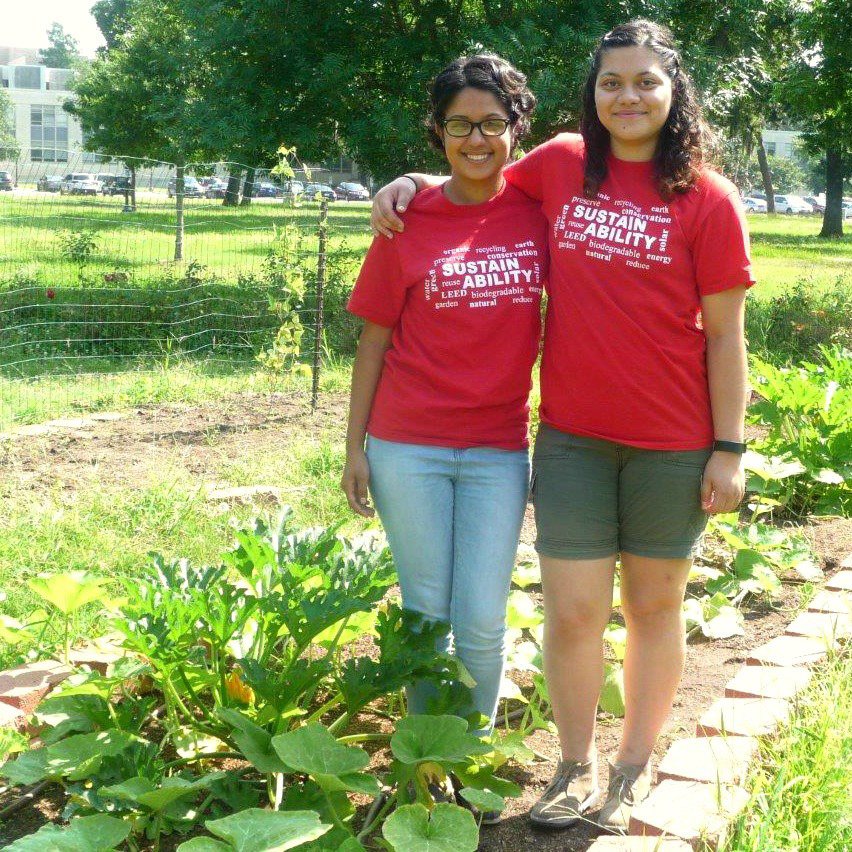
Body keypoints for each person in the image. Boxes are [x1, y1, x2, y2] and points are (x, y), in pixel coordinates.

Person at [370, 19, 753, 834]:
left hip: (675, 442)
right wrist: (404, 179)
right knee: (572, 612)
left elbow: (726, 336)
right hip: (572, 437)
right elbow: (475, 176)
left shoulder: (706, 199)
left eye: (646, 81)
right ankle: (573, 766)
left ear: (673, 89)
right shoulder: (563, 162)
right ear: (593, 93)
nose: (628, 96)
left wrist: (729, 447)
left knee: (654, 607)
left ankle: (631, 768)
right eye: (611, 82)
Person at [341, 53, 547, 780]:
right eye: (459, 125)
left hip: (497, 448)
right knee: (426, 613)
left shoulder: (539, 210)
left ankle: (471, 756)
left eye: (493, 123)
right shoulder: (407, 220)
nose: (477, 139)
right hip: (407, 446)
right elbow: (373, 341)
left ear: (517, 128)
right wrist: (354, 448)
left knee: (484, 618)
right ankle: (427, 760)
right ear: (437, 132)